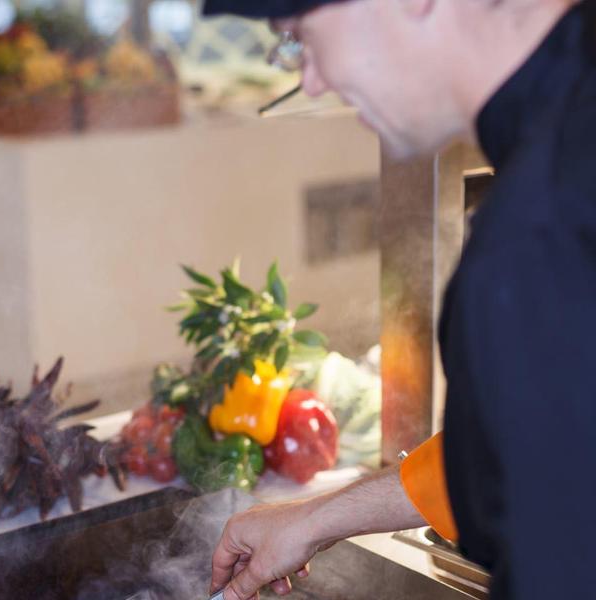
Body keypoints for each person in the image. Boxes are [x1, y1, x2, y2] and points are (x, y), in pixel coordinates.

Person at [204, 0, 596, 599]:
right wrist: (317, 518)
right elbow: (537, 452)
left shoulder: (535, 239)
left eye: (299, 37)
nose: (311, 79)